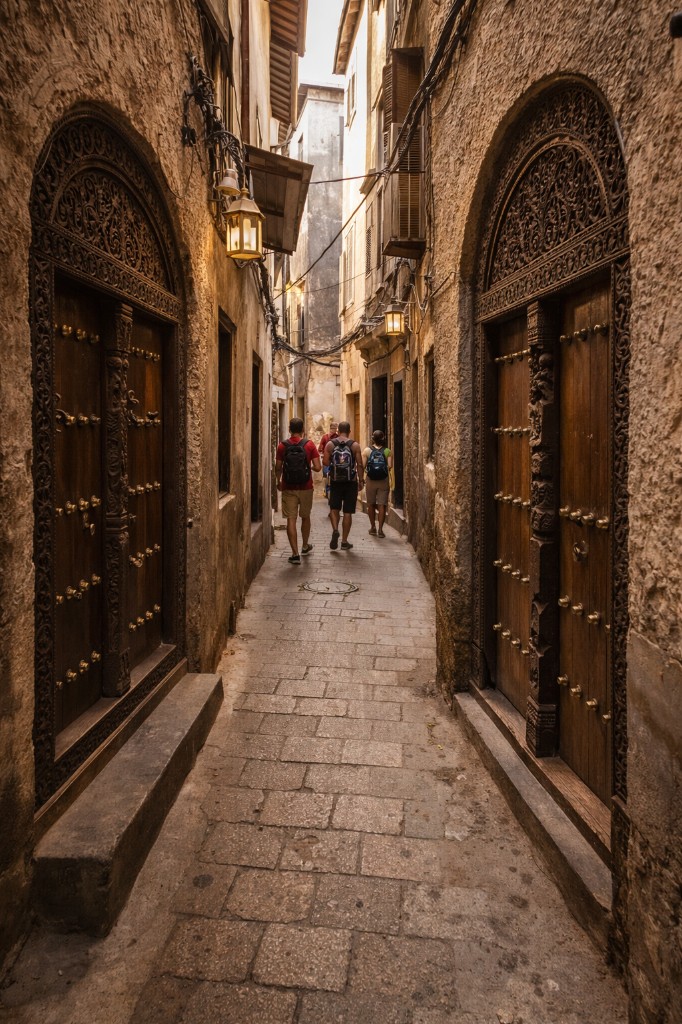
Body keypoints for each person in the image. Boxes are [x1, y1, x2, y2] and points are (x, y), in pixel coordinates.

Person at [275, 418, 321, 564]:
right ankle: (305, 546)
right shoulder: (309, 445)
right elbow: (318, 467)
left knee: (291, 519)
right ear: (303, 430)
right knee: (305, 517)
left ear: (289, 429)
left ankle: (295, 554)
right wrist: (308, 467)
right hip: (306, 487)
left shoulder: (282, 446)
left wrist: (279, 481)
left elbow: (278, 467)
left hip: (289, 487)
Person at [323, 421, 364, 550]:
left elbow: (324, 462)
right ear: (349, 431)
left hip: (335, 481)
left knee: (334, 508)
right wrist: (361, 480)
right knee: (347, 512)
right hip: (350, 481)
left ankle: (335, 530)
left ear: (338, 431)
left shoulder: (330, 444)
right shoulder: (355, 445)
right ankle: (344, 541)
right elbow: (360, 464)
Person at [363, 429, 392, 538]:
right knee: (382, 504)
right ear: (383, 439)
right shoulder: (387, 451)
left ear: (373, 439)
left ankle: (372, 527)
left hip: (370, 480)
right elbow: (390, 466)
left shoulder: (367, 451)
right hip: (383, 481)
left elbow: (364, 465)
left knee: (370, 504)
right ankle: (380, 529)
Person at [318, 420, 339, 502]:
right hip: (332, 461)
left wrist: (323, 453)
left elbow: (319, 449)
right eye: (335, 428)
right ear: (332, 428)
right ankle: (329, 492)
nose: (335, 430)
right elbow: (319, 448)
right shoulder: (331, 437)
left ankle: (328, 493)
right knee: (327, 477)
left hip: (329, 460)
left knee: (327, 477)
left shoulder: (325, 437)